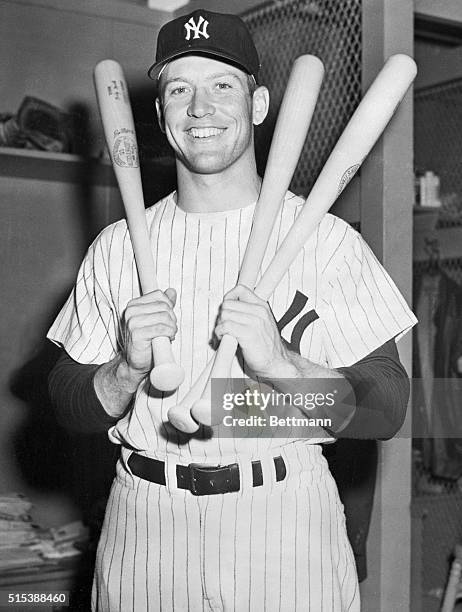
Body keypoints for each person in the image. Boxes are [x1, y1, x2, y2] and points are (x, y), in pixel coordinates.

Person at [47, 9, 416, 611]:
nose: (200, 108)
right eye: (179, 89)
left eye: (223, 85)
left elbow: (385, 408)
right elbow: (66, 403)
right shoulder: (116, 247)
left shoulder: (325, 240)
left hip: (284, 518)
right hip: (145, 521)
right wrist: (123, 369)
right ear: (161, 113)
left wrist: (280, 364)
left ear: (260, 104)